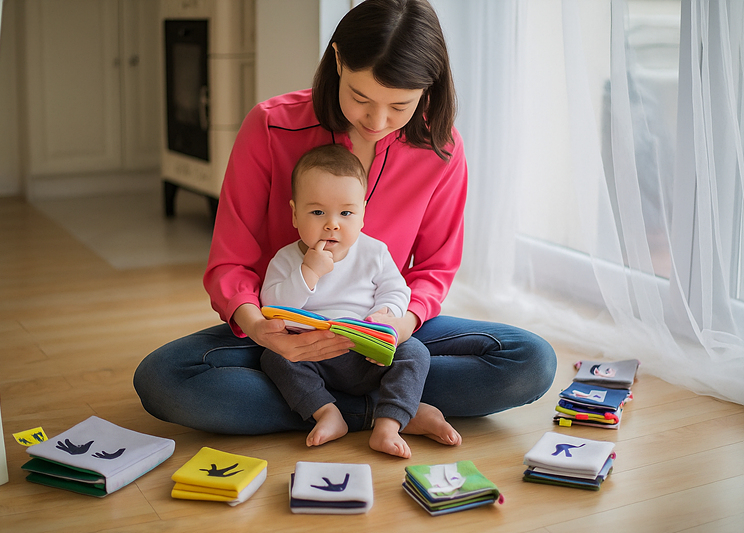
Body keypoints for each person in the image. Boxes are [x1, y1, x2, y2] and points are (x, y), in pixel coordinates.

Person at [133, 0, 556, 438]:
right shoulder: (271, 126)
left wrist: (400, 325)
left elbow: (434, 269)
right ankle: (390, 409)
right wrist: (259, 329)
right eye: (360, 97)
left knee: (531, 361)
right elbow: (230, 261)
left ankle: (333, 407)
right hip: (285, 333)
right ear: (338, 60)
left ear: (428, 88)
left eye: (400, 105)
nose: (377, 120)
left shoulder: (441, 147)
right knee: (164, 378)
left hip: (382, 336)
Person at [260, 144, 460, 458]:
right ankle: (327, 412)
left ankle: (389, 424)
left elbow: (397, 290)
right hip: (312, 354)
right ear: (295, 214)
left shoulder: (374, 252)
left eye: (346, 213)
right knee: (272, 358)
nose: (332, 224)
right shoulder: (286, 259)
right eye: (317, 212)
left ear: (362, 214)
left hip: (368, 353)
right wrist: (308, 273)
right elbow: (273, 308)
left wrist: (386, 316)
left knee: (415, 352)